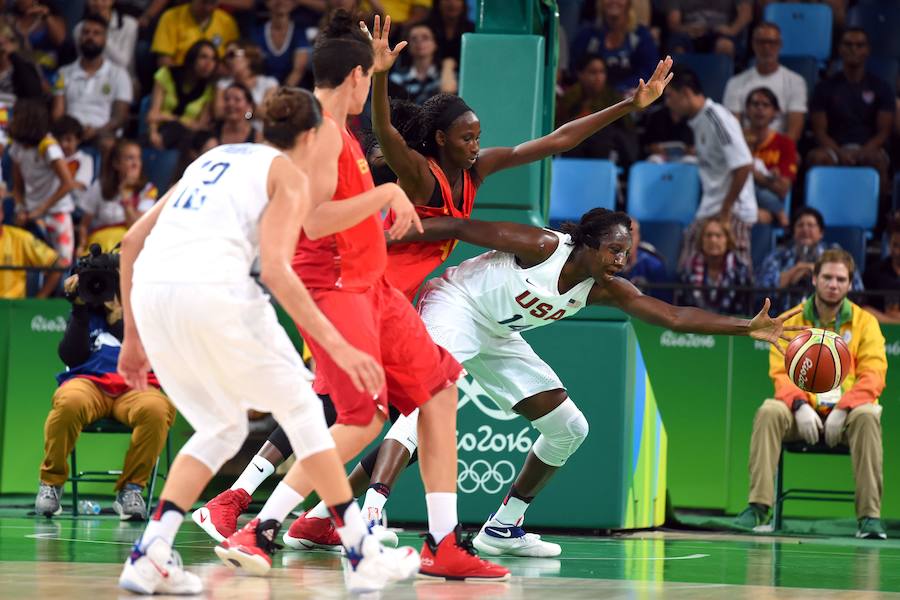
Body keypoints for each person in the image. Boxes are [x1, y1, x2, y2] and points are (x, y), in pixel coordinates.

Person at [204, 11, 509, 582]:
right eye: (369, 76)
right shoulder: (321, 133)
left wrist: (381, 71)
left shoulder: (340, 130)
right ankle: (259, 527)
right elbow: (315, 221)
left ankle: (444, 543)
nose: (369, 86)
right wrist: (386, 195)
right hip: (339, 288)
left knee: (440, 390)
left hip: (374, 289)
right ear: (354, 77)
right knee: (363, 419)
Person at [330, 207, 798, 558]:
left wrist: (746, 327)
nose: (622, 260)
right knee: (428, 401)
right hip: (455, 305)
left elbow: (672, 316)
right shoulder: (541, 246)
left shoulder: (604, 287)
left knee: (569, 428)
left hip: (497, 334)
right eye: (614, 250)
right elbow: (459, 226)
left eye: (626, 252)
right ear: (587, 245)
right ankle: (369, 514)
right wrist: (380, 239)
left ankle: (503, 526)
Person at [115, 87, 420, 595]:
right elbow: (278, 272)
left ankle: (150, 554)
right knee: (305, 413)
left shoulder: (211, 158)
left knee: (221, 427)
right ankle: (362, 554)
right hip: (215, 290)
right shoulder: (287, 175)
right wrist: (339, 346)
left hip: (152, 296)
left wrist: (132, 336)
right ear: (311, 136)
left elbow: (130, 242)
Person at [371, 16, 674, 300]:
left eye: (477, 137)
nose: (475, 146)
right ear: (441, 138)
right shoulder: (420, 174)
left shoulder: (476, 168)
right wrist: (381, 73)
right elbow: (384, 130)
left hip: (396, 291)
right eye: (466, 139)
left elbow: (559, 140)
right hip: (372, 278)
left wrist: (628, 106)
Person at [733, 249, 887, 541]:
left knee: (868, 415)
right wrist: (799, 405)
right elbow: (781, 373)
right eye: (827, 277)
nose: (833, 284)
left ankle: (869, 517)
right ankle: (758, 508)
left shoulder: (865, 323)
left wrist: (843, 408)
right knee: (769, 411)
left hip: (848, 416)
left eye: (840, 279)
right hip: (802, 415)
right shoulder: (791, 319)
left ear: (850, 284)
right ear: (814, 279)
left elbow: (873, 376)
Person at [35, 251, 176, 521]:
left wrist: (118, 321)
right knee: (68, 402)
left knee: (157, 409)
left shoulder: (141, 310)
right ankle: (51, 483)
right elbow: (71, 356)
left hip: (135, 386)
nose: (101, 287)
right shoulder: (83, 310)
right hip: (88, 384)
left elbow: (152, 359)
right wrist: (79, 309)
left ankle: (131, 490)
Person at [665, 67, 756, 271]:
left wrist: (726, 210)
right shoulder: (698, 121)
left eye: (670, 96)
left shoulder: (717, 117)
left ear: (686, 92)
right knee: (687, 269)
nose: (668, 103)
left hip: (733, 211)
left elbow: (744, 165)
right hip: (711, 207)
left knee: (737, 273)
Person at [807, 28, 893, 182]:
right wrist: (839, 152)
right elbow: (819, 131)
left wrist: (863, 152)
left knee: (875, 160)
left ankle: (880, 198)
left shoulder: (882, 87)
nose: (854, 49)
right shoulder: (824, 88)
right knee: (818, 158)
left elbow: (884, 132)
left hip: (869, 147)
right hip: (834, 148)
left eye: (860, 45)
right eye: (848, 44)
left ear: (867, 50)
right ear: (840, 49)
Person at [8, 98, 78, 267]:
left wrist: (42, 208)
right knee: (35, 263)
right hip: (32, 214)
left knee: (62, 263)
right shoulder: (17, 147)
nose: (11, 120)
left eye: (15, 116)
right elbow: (17, 187)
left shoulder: (48, 147)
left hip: (57, 212)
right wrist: (20, 208)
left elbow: (68, 183)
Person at [758, 207, 864, 314]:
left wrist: (821, 275)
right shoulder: (779, 255)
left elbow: (857, 291)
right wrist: (794, 272)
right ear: (793, 231)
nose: (805, 229)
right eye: (800, 225)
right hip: (783, 318)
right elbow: (759, 293)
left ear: (821, 232)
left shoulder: (836, 255)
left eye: (811, 225)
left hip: (830, 319)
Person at [51, 13, 133, 152]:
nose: (90, 37)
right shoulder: (63, 73)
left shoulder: (119, 74)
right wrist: (72, 132)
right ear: (79, 38)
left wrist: (96, 131)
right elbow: (57, 114)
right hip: (69, 132)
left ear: (105, 39)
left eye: (96, 33)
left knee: (108, 144)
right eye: (86, 32)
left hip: (103, 133)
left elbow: (119, 117)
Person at [722, 22, 807, 142]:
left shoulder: (796, 82)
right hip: (746, 146)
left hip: (779, 147)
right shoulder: (735, 83)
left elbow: (794, 131)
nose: (766, 47)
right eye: (761, 42)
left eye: (772, 42)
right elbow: (732, 128)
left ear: (780, 45)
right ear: (753, 44)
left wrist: (779, 149)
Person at [77, 138, 158, 254]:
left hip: (127, 245)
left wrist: (126, 197)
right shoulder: (100, 185)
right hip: (99, 244)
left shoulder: (148, 190)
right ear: (116, 163)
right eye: (130, 158)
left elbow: (137, 227)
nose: (136, 164)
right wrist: (81, 245)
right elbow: (84, 225)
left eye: (138, 158)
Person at [556, 53, 638, 163]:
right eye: (593, 72)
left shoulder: (613, 98)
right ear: (580, 74)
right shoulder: (569, 98)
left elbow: (626, 130)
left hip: (606, 149)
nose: (598, 77)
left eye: (602, 72)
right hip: (573, 152)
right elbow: (558, 129)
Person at [569, 0, 659, 94]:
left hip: (630, 96)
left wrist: (618, 90)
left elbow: (648, 71)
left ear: (628, 3)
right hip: (591, 95)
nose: (613, 1)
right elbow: (575, 68)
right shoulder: (587, 34)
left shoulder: (641, 35)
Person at [146, 40, 218, 151]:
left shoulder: (209, 88)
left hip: (188, 137)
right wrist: (153, 133)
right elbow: (153, 114)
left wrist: (169, 117)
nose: (208, 64)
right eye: (203, 57)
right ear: (192, 58)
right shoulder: (167, 74)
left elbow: (199, 126)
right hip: (161, 130)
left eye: (213, 59)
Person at [743, 87, 797, 228]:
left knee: (761, 215)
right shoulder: (736, 139)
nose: (760, 109)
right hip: (738, 198)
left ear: (775, 112)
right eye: (755, 104)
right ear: (747, 110)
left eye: (766, 105)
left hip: (767, 206)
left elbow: (782, 189)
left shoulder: (785, 144)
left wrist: (752, 173)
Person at [679, 215, 752, 315]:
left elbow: (745, 311)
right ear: (701, 240)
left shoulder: (740, 272)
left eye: (718, 235)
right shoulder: (687, 271)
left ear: (727, 240)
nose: (713, 240)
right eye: (708, 235)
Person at [0, 200, 61, 299]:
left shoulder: (21, 238)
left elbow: (57, 265)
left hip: (13, 305)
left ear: (1, 214)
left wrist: (40, 300)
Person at [151, 0, 239, 67]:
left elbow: (235, 56)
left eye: (212, 3)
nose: (207, 8)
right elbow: (163, 61)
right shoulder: (170, 17)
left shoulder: (227, 22)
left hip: (215, 79)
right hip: (178, 77)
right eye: (203, 2)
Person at [388, 23, 455, 104]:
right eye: (414, 39)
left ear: (435, 44)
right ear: (408, 46)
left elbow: (449, 92)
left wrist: (447, 66)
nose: (419, 42)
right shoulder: (398, 77)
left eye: (425, 37)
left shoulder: (444, 74)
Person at [73, 0, 140, 79]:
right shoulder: (79, 29)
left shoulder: (129, 24)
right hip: (91, 78)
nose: (98, 3)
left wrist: (101, 35)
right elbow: (83, 60)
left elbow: (123, 63)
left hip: (123, 78)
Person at [251, 0, 312, 86]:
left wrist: (282, 92)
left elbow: (298, 70)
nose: (280, 1)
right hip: (265, 87)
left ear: (294, 3)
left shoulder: (299, 33)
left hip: (293, 89)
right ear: (266, 2)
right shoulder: (257, 32)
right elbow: (255, 68)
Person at [214, 42, 278, 123]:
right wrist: (251, 112)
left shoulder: (269, 83)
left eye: (231, 54)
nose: (227, 60)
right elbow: (219, 114)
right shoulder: (223, 84)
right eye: (226, 57)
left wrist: (245, 115)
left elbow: (265, 113)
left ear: (248, 57)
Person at [664, 0, 751, 58]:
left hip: (721, 31)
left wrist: (731, 30)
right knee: (678, 48)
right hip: (688, 32)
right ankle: (680, 79)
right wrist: (689, 29)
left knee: (725, 45)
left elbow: (746, 14)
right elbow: (674, 22)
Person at [51, 116, 95, 221]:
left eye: (68, 140)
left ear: (78, 140)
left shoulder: (85, 159)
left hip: (74, 206)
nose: (63, 144)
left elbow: (79, 185)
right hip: (50, 203)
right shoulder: (50, 158)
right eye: (59, 140)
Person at [620, 217, 669, 301]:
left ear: (639, 238)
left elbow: (664, 301)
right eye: (622, 237)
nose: (627, 241)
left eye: (631, 235)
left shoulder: (654, 266)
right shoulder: (608, 262)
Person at [864, 215, 900, 324]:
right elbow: (865, 309)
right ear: (889, 244)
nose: (898, 252)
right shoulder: (873, 273)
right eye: (895, 245)